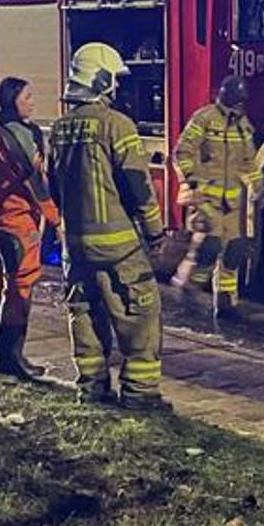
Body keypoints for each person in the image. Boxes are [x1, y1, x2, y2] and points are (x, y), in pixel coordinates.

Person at [49, 42, 169, 411]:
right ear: (100, 81)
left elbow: (53, 186)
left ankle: (91, 387)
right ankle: (139, 392)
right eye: (112, 80)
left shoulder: (58, 129)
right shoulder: (117, 125)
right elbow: (137, 184)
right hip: (119, 245)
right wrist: (154, 230)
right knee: (140, 312)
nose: (116, 87)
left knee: (85, 311)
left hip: (77, 245)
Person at [0, 77, 61, 379]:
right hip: (16, 223)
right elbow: (33, 182)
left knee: (1, 284)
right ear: (13, 100)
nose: (33, 102)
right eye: (27, 97)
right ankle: (12, 359)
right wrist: (55, 220)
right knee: (20, 288)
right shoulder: (20, 135)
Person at [173, 75, 260, 320]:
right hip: (206, 198)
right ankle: (187, 285)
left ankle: (225, 302)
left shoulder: (243, 125)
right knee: (208, 248)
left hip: (232, 201)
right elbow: (182, 152)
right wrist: (192, 181)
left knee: (235, 250)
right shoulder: (205, 119)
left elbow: (248, 161)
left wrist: (259, 184)